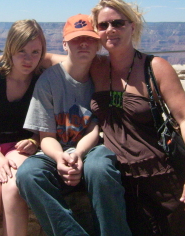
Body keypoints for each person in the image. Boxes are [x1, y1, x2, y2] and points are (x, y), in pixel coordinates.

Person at [89, 0, 185, 235]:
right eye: (103, 25)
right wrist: (0, 61)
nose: (110, 30)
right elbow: (52, 61)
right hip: (120, 182)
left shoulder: (155, 67)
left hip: (161, 178)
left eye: (118, 23)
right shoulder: (96, 67)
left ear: (133, 26)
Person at [15, 14, 131, 236]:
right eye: (77, 39)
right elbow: (46, 135)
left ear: (97, 44)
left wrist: (78, 153)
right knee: (28, 174)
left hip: (89, 149)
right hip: (55, 151)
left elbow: (93, 128)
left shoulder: (100, 77)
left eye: (89, 39)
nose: (84, 44)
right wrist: (60, 158)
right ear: (65, 44)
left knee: (100, 167)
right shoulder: (49, 81)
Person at [0, 19, 46, 236]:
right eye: (21, 51)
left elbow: (45, 125)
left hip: (19, 147)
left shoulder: (42, 79)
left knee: (13, 188)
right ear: (10, 48)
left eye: (35, 52)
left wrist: (35, 140)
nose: (28, 59)